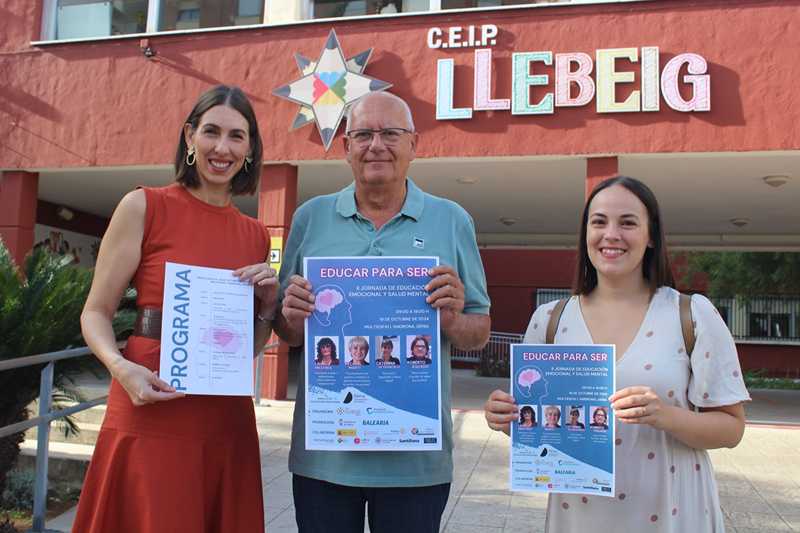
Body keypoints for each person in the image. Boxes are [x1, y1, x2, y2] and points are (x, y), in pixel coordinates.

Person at [275, 91, 491, 533]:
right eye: (363, 134)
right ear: (345, 147)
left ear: (415, 143)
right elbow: (288, 332)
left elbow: (480, 330)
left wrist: (450, 318)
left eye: (391, 133)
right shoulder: (310, 218)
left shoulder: (451, 220)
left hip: (416, 462)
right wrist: (291, 316)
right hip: (324, 459)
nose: (377, 145)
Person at [484, 176, 749, 533]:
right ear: (585, 233)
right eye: (599, 222)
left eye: (627, 222)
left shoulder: (692, 314)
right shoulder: (549, 320)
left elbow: (731, 428)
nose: (611, 234)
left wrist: (665, 415)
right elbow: (540, 426)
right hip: (578, 515)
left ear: (651, 235)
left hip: (672, 512)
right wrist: (506, 417)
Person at [72, 85, 277, 533]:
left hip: (223, 412)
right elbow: (95, 313)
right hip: (147, 395)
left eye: (237, 137)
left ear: (250, 150)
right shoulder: (144, 205)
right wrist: (119, 368)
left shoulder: (254, 233)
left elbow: (246, 347)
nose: (222, 148)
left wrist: (266, 307)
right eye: (211, 132)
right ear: (189, 137)